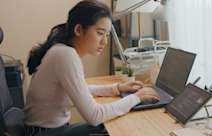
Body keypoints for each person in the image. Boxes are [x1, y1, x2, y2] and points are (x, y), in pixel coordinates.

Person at [24, 1, 159, 135]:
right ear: (78, 30)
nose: (105, 42)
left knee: (112, 124)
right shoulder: (65, 55)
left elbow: (81, 89)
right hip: (43, 133)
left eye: (107, 35)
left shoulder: (62, 51)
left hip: (46, 130)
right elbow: (95, 116)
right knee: (113, 127)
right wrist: (137, 97)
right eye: (100, 33)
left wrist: (117, 88)